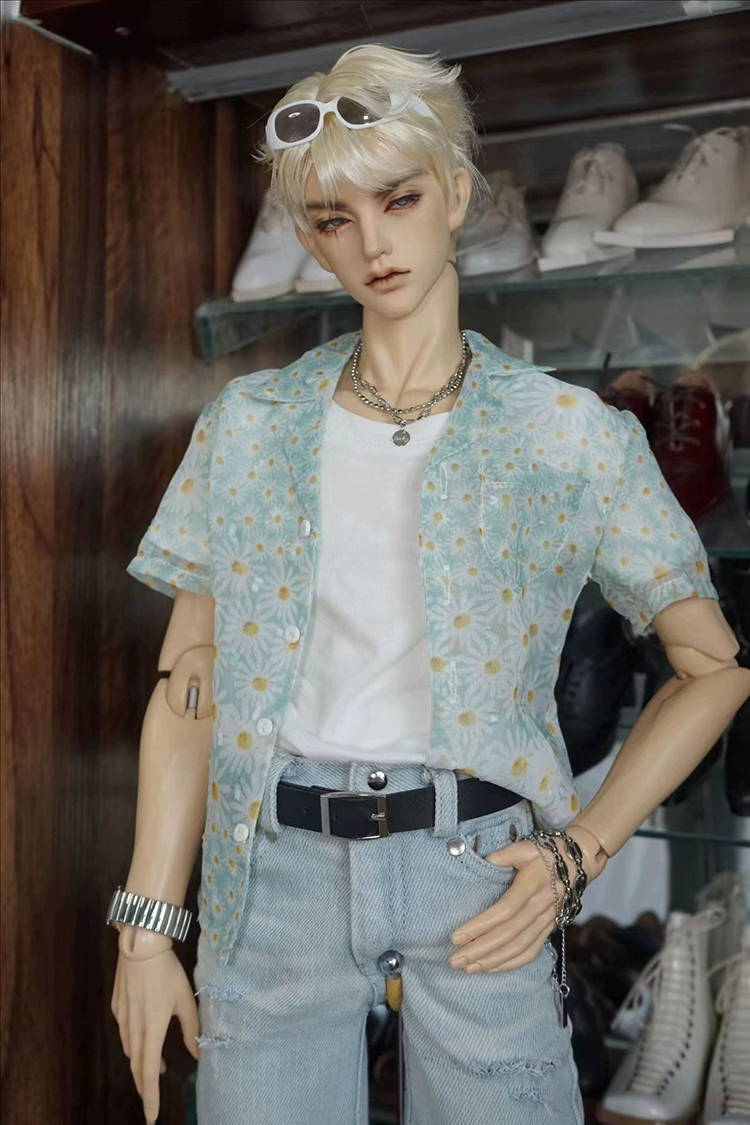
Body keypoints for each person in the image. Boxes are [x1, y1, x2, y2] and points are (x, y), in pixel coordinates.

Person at [108, 43, 750, 1125]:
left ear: (455, 194)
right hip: (275, 880)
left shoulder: (567, 433)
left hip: (482, 876)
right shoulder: (250, 426)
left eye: (398, 200)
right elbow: (188, 690)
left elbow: (715, 667)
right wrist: (146, 927)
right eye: (333, 219)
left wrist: (577, 856)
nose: (371, 243)